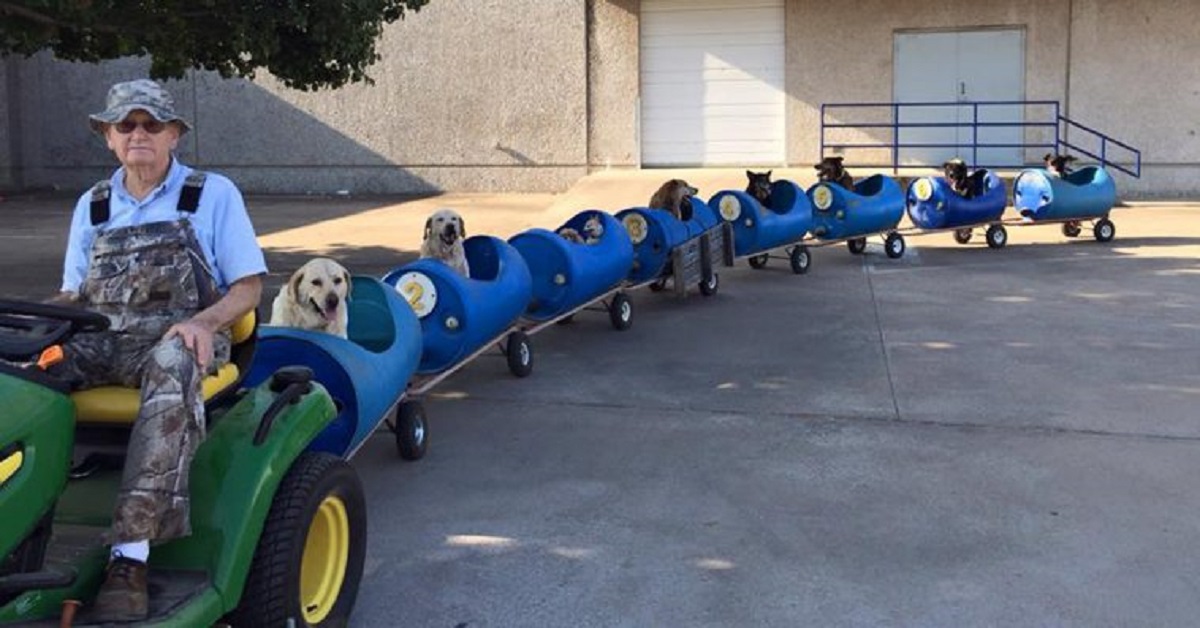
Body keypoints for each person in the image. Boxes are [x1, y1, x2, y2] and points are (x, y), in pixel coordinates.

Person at [50, 79, 266, 621]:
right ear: (108, 137)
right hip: (105, 338)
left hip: (179, 336)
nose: (138, 134)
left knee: (173, 366)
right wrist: (40, 329)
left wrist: (203, 322)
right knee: (21, 370)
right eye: (126, 125)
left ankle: (131, 557)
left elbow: (248, 287)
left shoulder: (211, 194)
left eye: (151, 125)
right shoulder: (93, 205)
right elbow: (73, 293)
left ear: (174, 134)